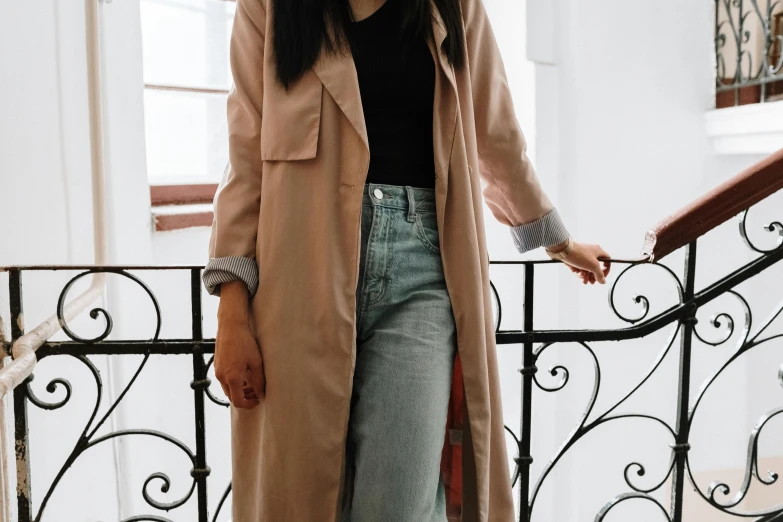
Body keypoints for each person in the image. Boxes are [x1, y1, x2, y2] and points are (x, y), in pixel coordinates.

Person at [202, 0, 611, 520]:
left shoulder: (452, 6)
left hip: (423, 271)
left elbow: (494, 127)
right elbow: (244, 155)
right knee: (300, 495)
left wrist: (557, 240)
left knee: (398, 504)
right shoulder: (269, 7)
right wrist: (231, 312)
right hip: (298, 275)